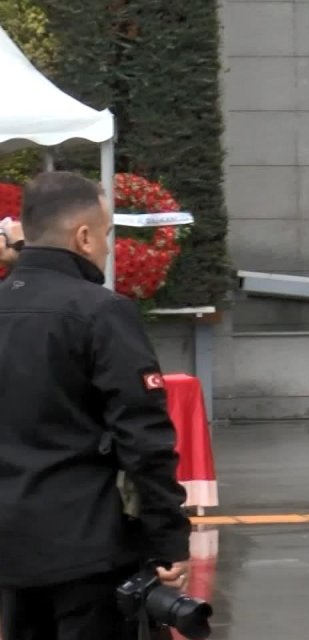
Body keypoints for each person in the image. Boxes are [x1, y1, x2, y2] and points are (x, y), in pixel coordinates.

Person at [0, 172, 191, 639]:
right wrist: (167, 538)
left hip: (10, 546)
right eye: (107, 233)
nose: (107, 246)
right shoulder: (101, 312)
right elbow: (144, 439)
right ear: (83, 237)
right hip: (87, 546)